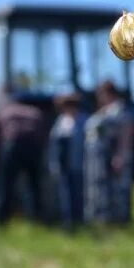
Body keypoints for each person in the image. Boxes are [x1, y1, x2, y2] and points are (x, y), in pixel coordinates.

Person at [85, 79, 134, 225]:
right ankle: (106, 220)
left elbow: (126, 133)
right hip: (102, 157)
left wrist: (120, 155)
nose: (99, 98)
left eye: (101, 94)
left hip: (116, 155)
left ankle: (122, 221)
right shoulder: (104, 111)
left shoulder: (120, 111)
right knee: (105, 189)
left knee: (120, 188)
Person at [0, 93, 48, 226]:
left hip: (13, 147)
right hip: (33, 148)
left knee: (6, 185)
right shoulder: (35, 112)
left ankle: (2, 221)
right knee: (34, 186)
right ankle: (37, 219)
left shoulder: (6, 111)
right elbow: (43, 134)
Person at [49, 93, 88, 230]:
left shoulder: (84, 121)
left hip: (79, 163)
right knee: (65, 195)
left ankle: (80, 222)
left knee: (79, 194)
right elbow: (53, 143)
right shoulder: (61, 121)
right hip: (63, 164)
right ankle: (68, 223)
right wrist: (54, 163)